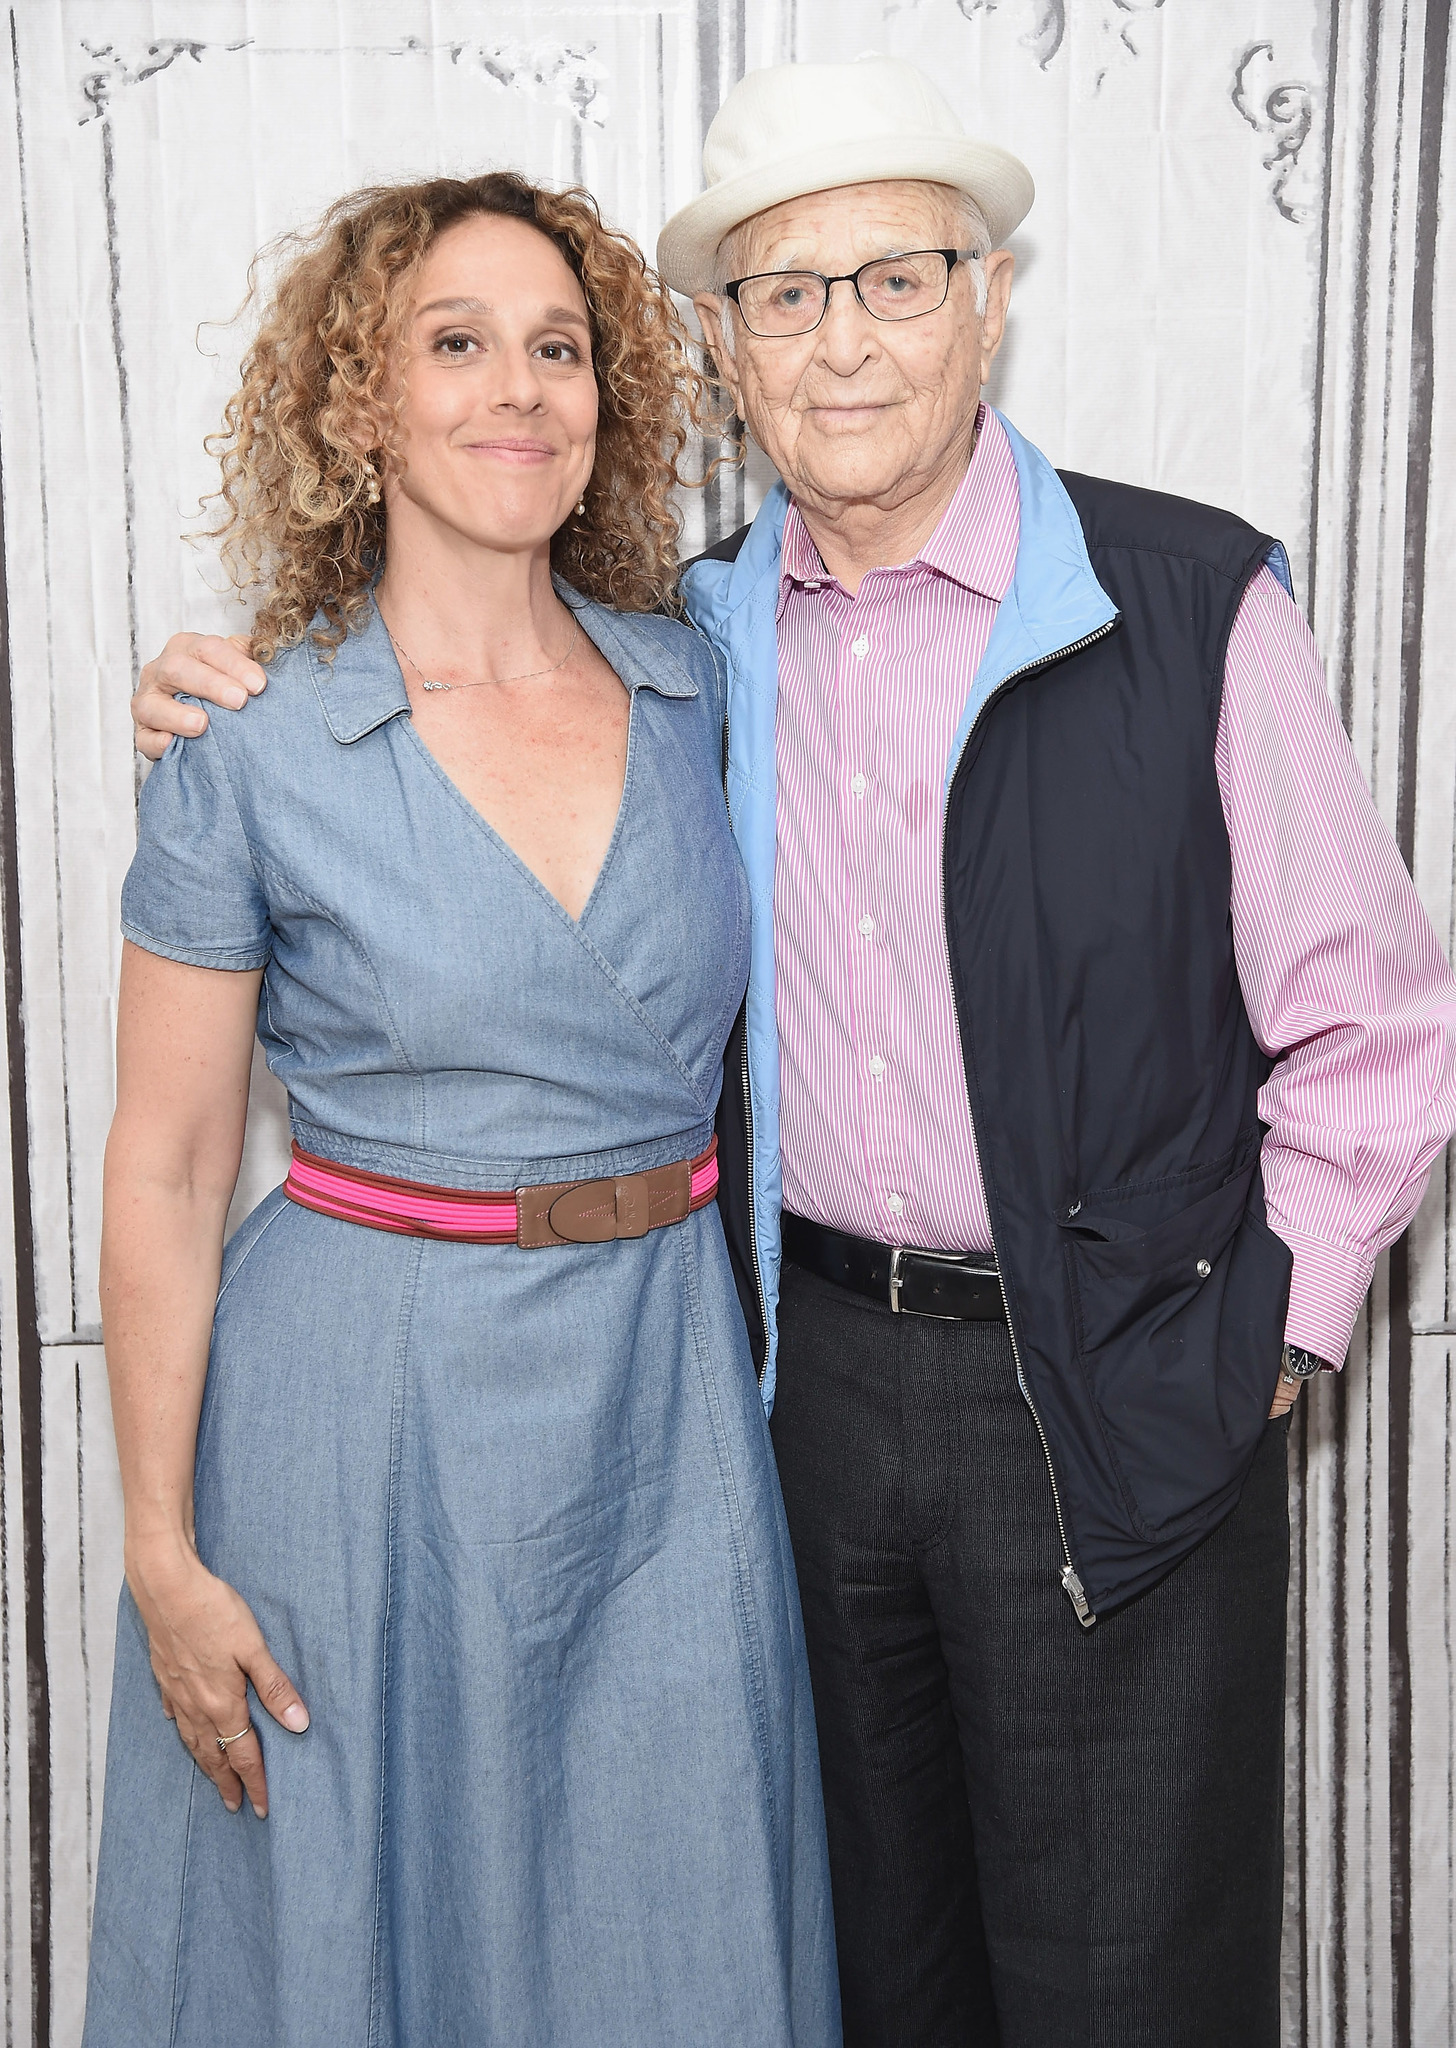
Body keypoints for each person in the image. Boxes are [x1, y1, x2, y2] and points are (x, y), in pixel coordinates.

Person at [131, 55, 1456, 2048]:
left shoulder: (1169, 604)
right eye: (782, 293)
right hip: (789, 1400)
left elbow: (1374, 1025)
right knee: (857, 1975)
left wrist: (1263, 1345)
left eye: (896, 280)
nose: (842, 341)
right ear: (727, 351)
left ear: (986, 299)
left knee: (1120, 1992)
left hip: (1071, 1378)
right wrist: (204, 687)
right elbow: (224, 1080)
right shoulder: (711, 633)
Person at [86, 170, 839, 2047]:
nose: (521, 388)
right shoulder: (245, 737)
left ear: (609, 404)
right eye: (457, 343)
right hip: (356, 1444)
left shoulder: (710, 686)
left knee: (677, 1928)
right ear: (360, 405)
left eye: (560, 348)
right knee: (362, 1940)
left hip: (662, 1415)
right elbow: (172, 1164)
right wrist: (165, 1553)